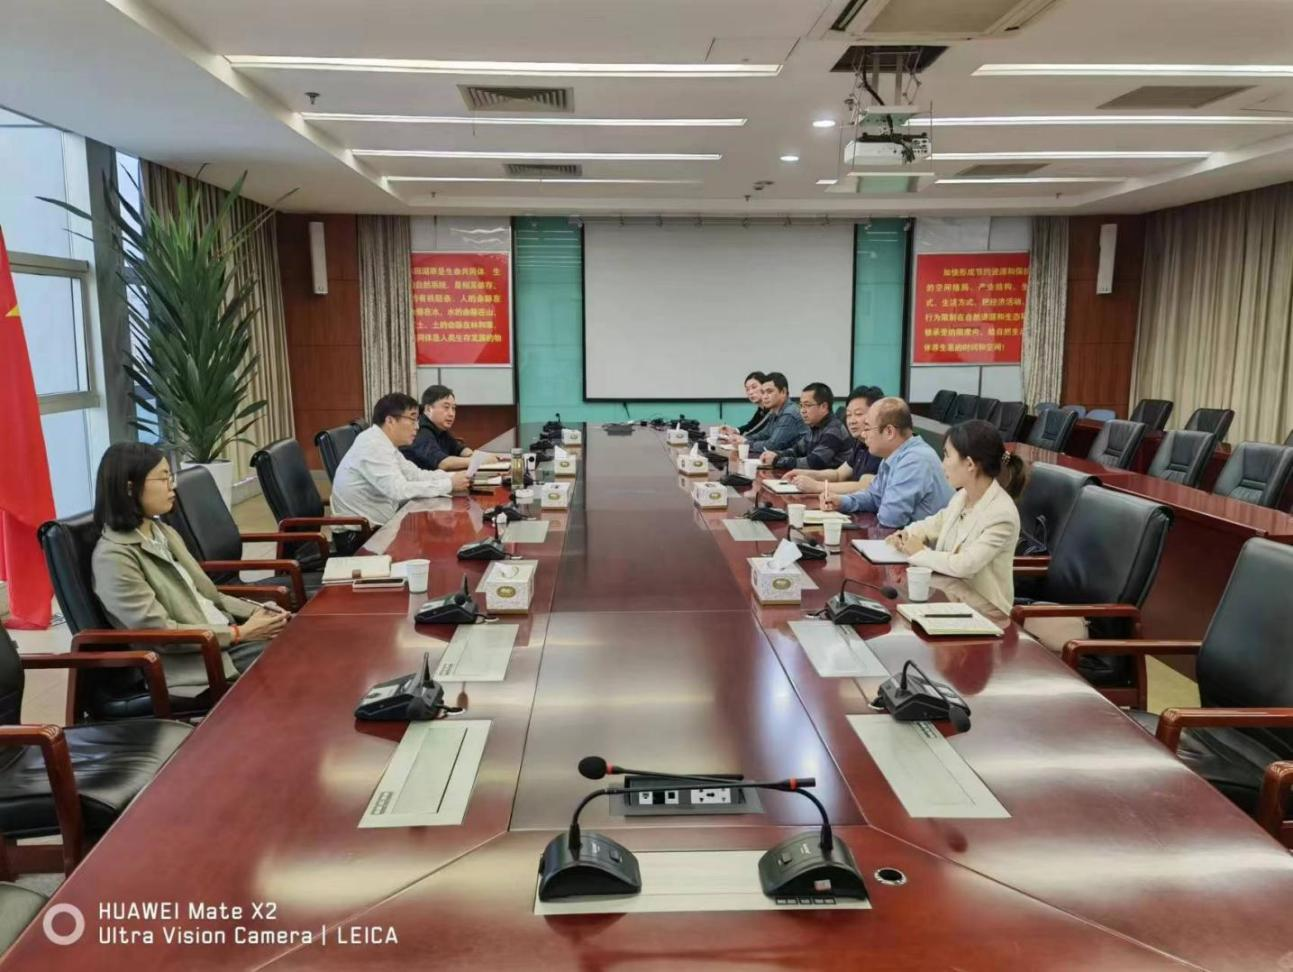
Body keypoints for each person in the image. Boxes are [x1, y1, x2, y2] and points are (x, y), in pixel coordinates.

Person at [91, 442, 289, 697]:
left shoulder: (162, 531)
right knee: (296, 657)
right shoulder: (114, 557)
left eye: (170, 477)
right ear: (130, 488)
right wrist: (240, 633)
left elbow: (208, 596)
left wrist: (259, 613)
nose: (172, 486)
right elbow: (159, 633)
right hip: (196, 663)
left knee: (303, 636)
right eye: (163, 478)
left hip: (221, 639)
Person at [886, 419, 1029, 614]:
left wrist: (919, 552)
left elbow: (965, 565)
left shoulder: (1001, 514)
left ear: (969, 464)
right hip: (950, 600)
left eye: (947, 455)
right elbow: (934, 523)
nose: (942, 463)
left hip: (985, 614)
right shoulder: (962, 496)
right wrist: (906, 534)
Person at [331, 393, 471, 550]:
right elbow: (399, 491)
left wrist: (454, 477)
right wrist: (449, 484)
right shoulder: (372, 446)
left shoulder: (384, 443)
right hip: (359, 539)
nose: (417, 426)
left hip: (381, 529)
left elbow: (415, 475)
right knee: (434, 545)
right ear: (390, 420)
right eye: (412, 419)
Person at [821, 397, 953, 528]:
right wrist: (842, 501)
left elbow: (890, 518)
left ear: (889, 432)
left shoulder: (915, 460)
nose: (864, 435)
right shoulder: (892, 455)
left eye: (867, 428)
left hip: (926, 541)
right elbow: (874, 497)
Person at [785, 385, 884, 494]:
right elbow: (838, 474)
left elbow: (864, 486)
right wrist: (803, 473)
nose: (852, 421)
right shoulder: (861, 443)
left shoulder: (880, 447)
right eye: (849, 415)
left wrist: (817, 486)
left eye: (858, 414)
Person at [403, 384, 500, 472]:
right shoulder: (421, 431)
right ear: (428, 409)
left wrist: (476, 456)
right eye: (446, 407)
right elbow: (443, 463)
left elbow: (459, 449)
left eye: (453, 408)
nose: (451, 414)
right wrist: (478, 461)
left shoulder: (440, 429)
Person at [761, 382, 851, 471]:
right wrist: (776, 454)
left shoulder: (834, 429)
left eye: (807, 405)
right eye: (801, 406)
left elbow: (814, 463)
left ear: (824, 406)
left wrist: (777, 461)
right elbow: (796, 450)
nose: (802, 411)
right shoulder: (814, 426)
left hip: (832, 479)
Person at [727, 372, 806, 454]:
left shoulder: (789, 413)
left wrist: (746, 443)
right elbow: (763, 435)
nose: (764, 397)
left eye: (769, 392)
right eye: (763, 392)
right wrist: (742, 439)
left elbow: (772, 445)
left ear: (783, 391)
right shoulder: (774, 412)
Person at [719, 371, 768, 439]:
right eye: (747, 389)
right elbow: (750, 426)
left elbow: (762, 433)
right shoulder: (761, 409)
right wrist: (733, 430)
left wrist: (743, 439)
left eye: (754, 387)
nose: (750, 392)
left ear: (765, 386)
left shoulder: (772, 410)